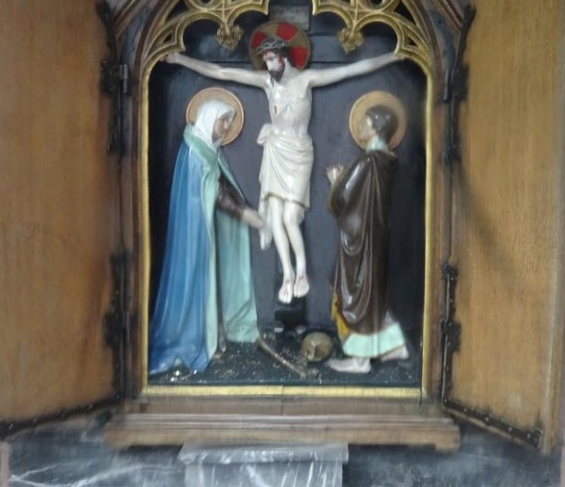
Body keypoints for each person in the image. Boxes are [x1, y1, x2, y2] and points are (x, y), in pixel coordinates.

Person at [167, 22, 398, 304]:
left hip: (298, 153)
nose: (267, 66)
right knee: (275, 217)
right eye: (264, 61)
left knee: (290, 217)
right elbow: (221, 72)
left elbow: (353, 69)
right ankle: (288, 274)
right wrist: (180, 59)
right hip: (276, 149)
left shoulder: (307, 79)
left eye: (271, 59)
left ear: (284, 57)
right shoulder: (267, 82)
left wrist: (392, 56)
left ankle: (301, 270)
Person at [148, 95, 263, 375]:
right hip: (194, 234)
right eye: (223, 121)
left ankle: (216, 333)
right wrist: (244, 214)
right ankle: (192, 339)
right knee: (196, 283)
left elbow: (222, 185)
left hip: (205, 230)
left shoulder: (209, 150)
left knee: (214, 282)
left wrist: (244, 209)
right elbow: (213, 193)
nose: (225, 127)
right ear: (209, 118)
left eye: (229, 122)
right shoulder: (194, 152)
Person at [326, 101, 409, 373]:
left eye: (365, 121)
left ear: (375, 127)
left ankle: (360, 359)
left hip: (360, 241)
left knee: (357, 295)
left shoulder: (368, 161)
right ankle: (394, 345)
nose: (360, 126)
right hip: (377, 237)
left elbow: (343, 198)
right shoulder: (387, 160)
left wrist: (335, 181)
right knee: (374, 295)